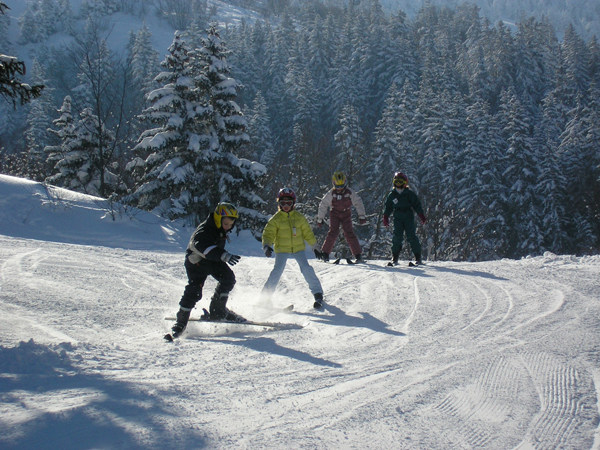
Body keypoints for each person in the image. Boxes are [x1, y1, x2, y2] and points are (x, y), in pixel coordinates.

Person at [170, 202, 244, 338]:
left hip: (212, 260)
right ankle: (181, 320)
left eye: (231, 224)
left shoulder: (220, 229)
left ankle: (218, 311)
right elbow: (200, 245)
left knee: (228, 279)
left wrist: (221, 255)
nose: (228, 227)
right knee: (195, 290)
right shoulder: (205, 229)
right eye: (226, 224)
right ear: (218, 218)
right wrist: (222, 255)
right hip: (196, 262)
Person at [261, 187, 326, 309]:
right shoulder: (276, 219)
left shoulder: (299, 217)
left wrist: (315, 247)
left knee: (306, 268)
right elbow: (268, 233)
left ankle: (318, 293)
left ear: (294, 203)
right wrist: (266, 246)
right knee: (277, 270)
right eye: (283, 203)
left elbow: (307, 233)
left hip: (298, 249)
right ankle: (264, 298)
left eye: (289, 203)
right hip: (282, 249)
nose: (286, 206)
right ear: (279, 204)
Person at [316, 171, 367, 263]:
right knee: (333, 232)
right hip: (334, 213)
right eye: (337, 186)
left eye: (341, 185)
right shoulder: (331, 193)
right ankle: (325, 253)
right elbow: (323, 204)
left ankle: (358, 255)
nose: (339, 188)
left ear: (345, 183)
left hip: (346, 214)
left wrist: (362, 216)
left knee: (349, 233)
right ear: (333, 184)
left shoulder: (349, 192)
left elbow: (358, 203)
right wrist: (320, 218)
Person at [382, 172, 427, 266]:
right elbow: (388, 206)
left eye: (400, 181)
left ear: (405, 183)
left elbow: (416, 205)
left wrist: (421, 214)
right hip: (397, 216)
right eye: (396, 181)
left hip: (408, 215)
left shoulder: (409, 194)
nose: (398, 183)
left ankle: (418, 257)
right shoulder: (392, 195)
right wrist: (386, 216)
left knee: (411, 236)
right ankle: (395, 257)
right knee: (397, 236)